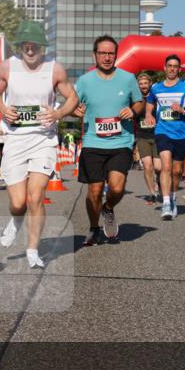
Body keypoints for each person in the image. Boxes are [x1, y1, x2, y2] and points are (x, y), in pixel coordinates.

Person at [0, 20, 78, 268]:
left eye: (34, 45)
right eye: (25, 45)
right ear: (20, 46)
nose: (30, 50)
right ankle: (16, 219)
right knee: (18, 203)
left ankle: (32, 249)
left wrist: (58, 114)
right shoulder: (7, 67)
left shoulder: (54, 69)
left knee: (36, 196)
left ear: (42, 46)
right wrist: (3, 109)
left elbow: (73, 97)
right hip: (16, 139)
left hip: (43, 140)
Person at [73, 35, 143, 246]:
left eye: (111, 53)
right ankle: (94, 228)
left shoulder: (128, 78)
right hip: (93, 142)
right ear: (94, 55)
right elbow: (72, 104)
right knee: (94, 191)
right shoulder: (85, 81)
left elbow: (139, 102)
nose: (106, 57)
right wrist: (75, 111)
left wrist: (133, 110)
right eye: (102, 53)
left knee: (117, 188)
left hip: (121, 142)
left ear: (116, 55)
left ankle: (108, 208)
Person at [144, 54, 185, 220]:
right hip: (162, 131)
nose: (172, 69)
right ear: (164, 68)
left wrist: (184, 110)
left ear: (179, 69)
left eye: (175, 66)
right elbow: (149, 103)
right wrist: (149, 114)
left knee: (176, 172)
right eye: (169, 66)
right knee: (166, 167)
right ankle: (165, 204)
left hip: (181, 133)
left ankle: (173, 198)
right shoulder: (156, 87)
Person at [134, 71, 161, 204]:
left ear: (150, 84)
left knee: (158, 168)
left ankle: (160, 183)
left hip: (157, 135)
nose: (143, 85)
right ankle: (152, 193)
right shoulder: (135, 99)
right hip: (142, 136)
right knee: (147, 166)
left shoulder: (157, 97)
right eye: (141, 83)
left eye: (146, 83)